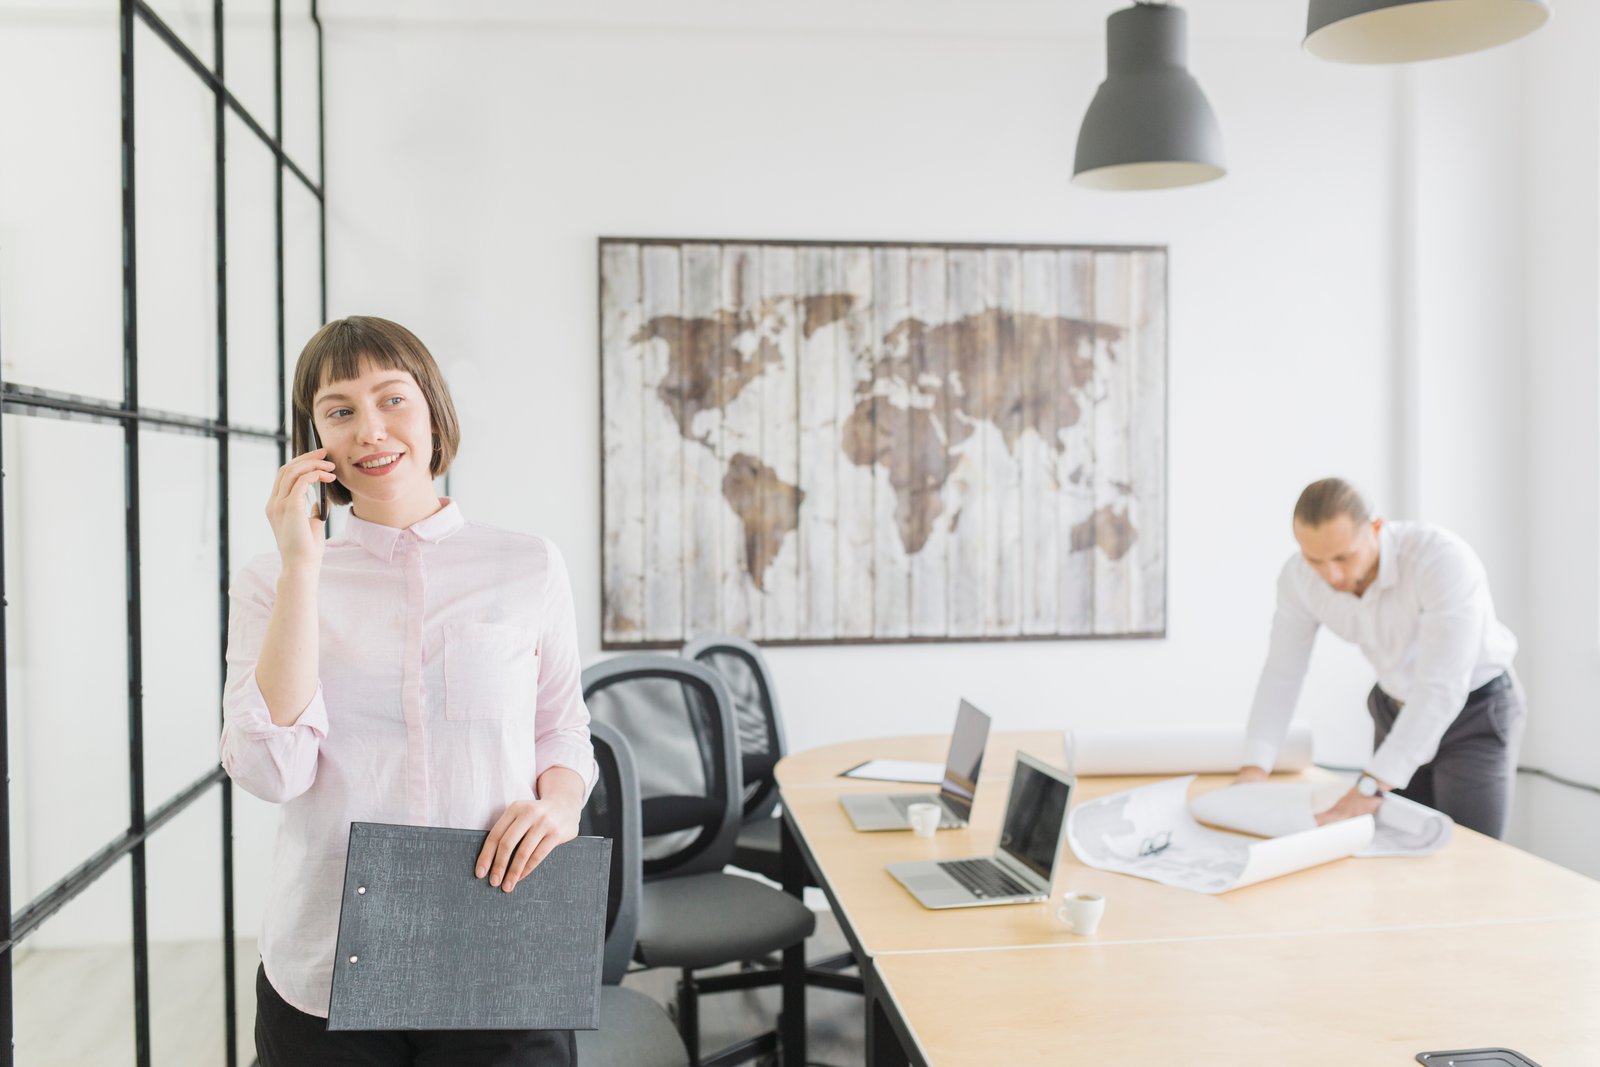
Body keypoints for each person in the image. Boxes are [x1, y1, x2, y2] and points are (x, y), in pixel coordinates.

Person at [221, 316, 596, 1066]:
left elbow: (562, 727)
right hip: (328, 958)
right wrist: (302, 567)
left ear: (432, 411)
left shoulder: (528, 564)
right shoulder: (274, 579)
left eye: (392, 399)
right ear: (315, 437)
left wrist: (559, 804)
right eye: (340, 410)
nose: (371, 430)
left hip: (500, 938)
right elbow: (272, 770)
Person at [1238, 477, 1524, 839]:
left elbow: (1440, 687)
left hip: (1475, 713)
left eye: (1343, 557)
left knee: (1467, 851)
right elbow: (1282, 673)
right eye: (1315, 559)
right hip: (1395, 705)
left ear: (1376, 528)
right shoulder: (1298, 578)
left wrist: (1371, 785)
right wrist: (1254, 768)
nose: (1332, 575)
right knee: (1394, 843)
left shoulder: (1441, 560)